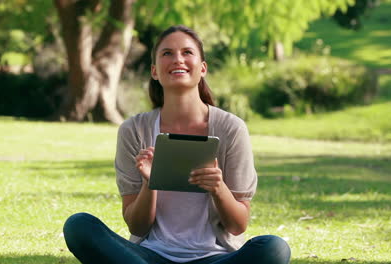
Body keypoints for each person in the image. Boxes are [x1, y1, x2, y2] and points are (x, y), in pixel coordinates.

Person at [63, 25, 291, 264]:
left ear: (202, 68)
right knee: (79, 225)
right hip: (149, 257)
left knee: (274, 249)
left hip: (215, 258)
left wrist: (218, 188)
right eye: (167, 53)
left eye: (187, 52)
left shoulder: (231, 129)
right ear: (154, 71)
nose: (178, 59)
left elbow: (238, 225)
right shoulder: (134, 130)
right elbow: (137, 226)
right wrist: (149, 184)